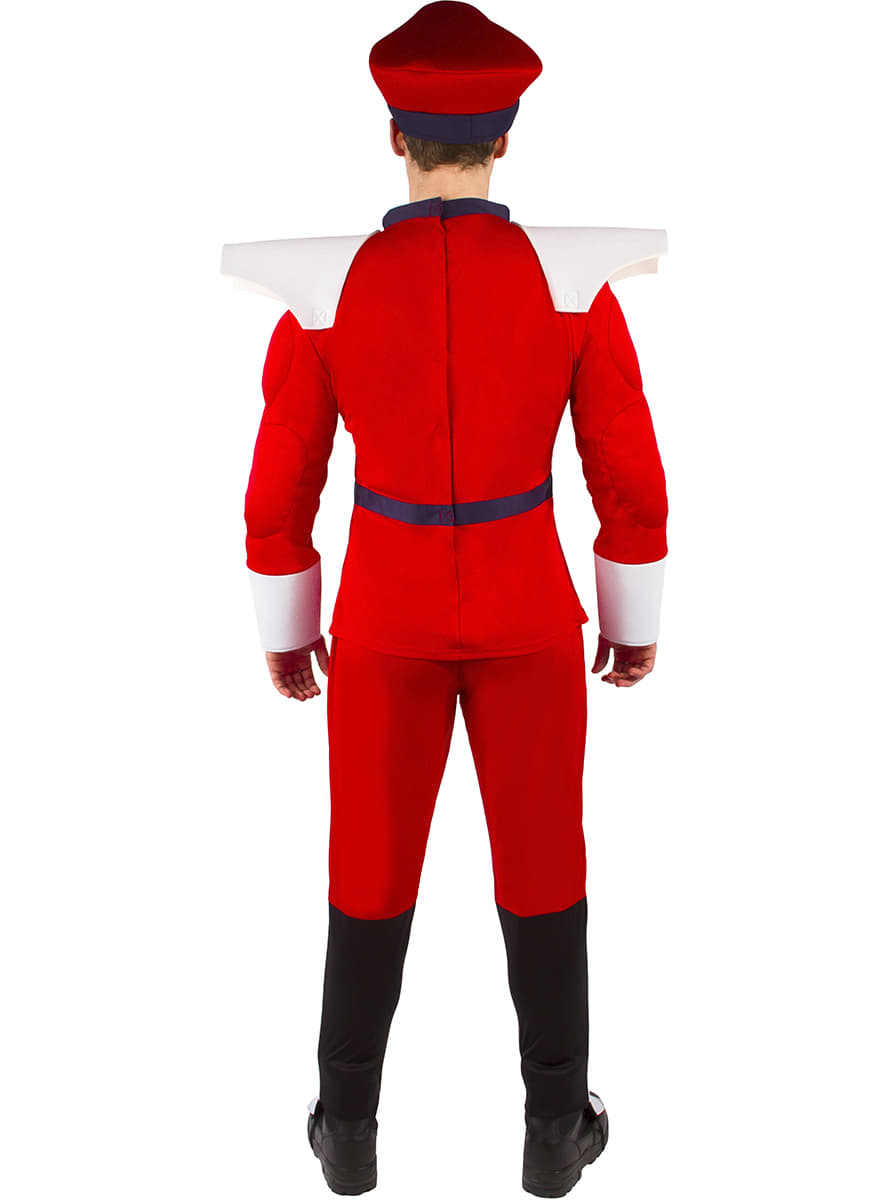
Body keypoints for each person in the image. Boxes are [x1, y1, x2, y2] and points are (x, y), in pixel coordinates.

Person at [220, 2, 669, 1194]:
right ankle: (555, 1129)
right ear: (505, 139)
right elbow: (629, 475)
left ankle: (347, 1131)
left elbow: (279, 487)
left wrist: (288, 627)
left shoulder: (325, 293)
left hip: (383, 623)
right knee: (546, 866)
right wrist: (631, 620)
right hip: (529, 618)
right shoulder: (575, 288)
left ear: (393, 136)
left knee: (367, 870)